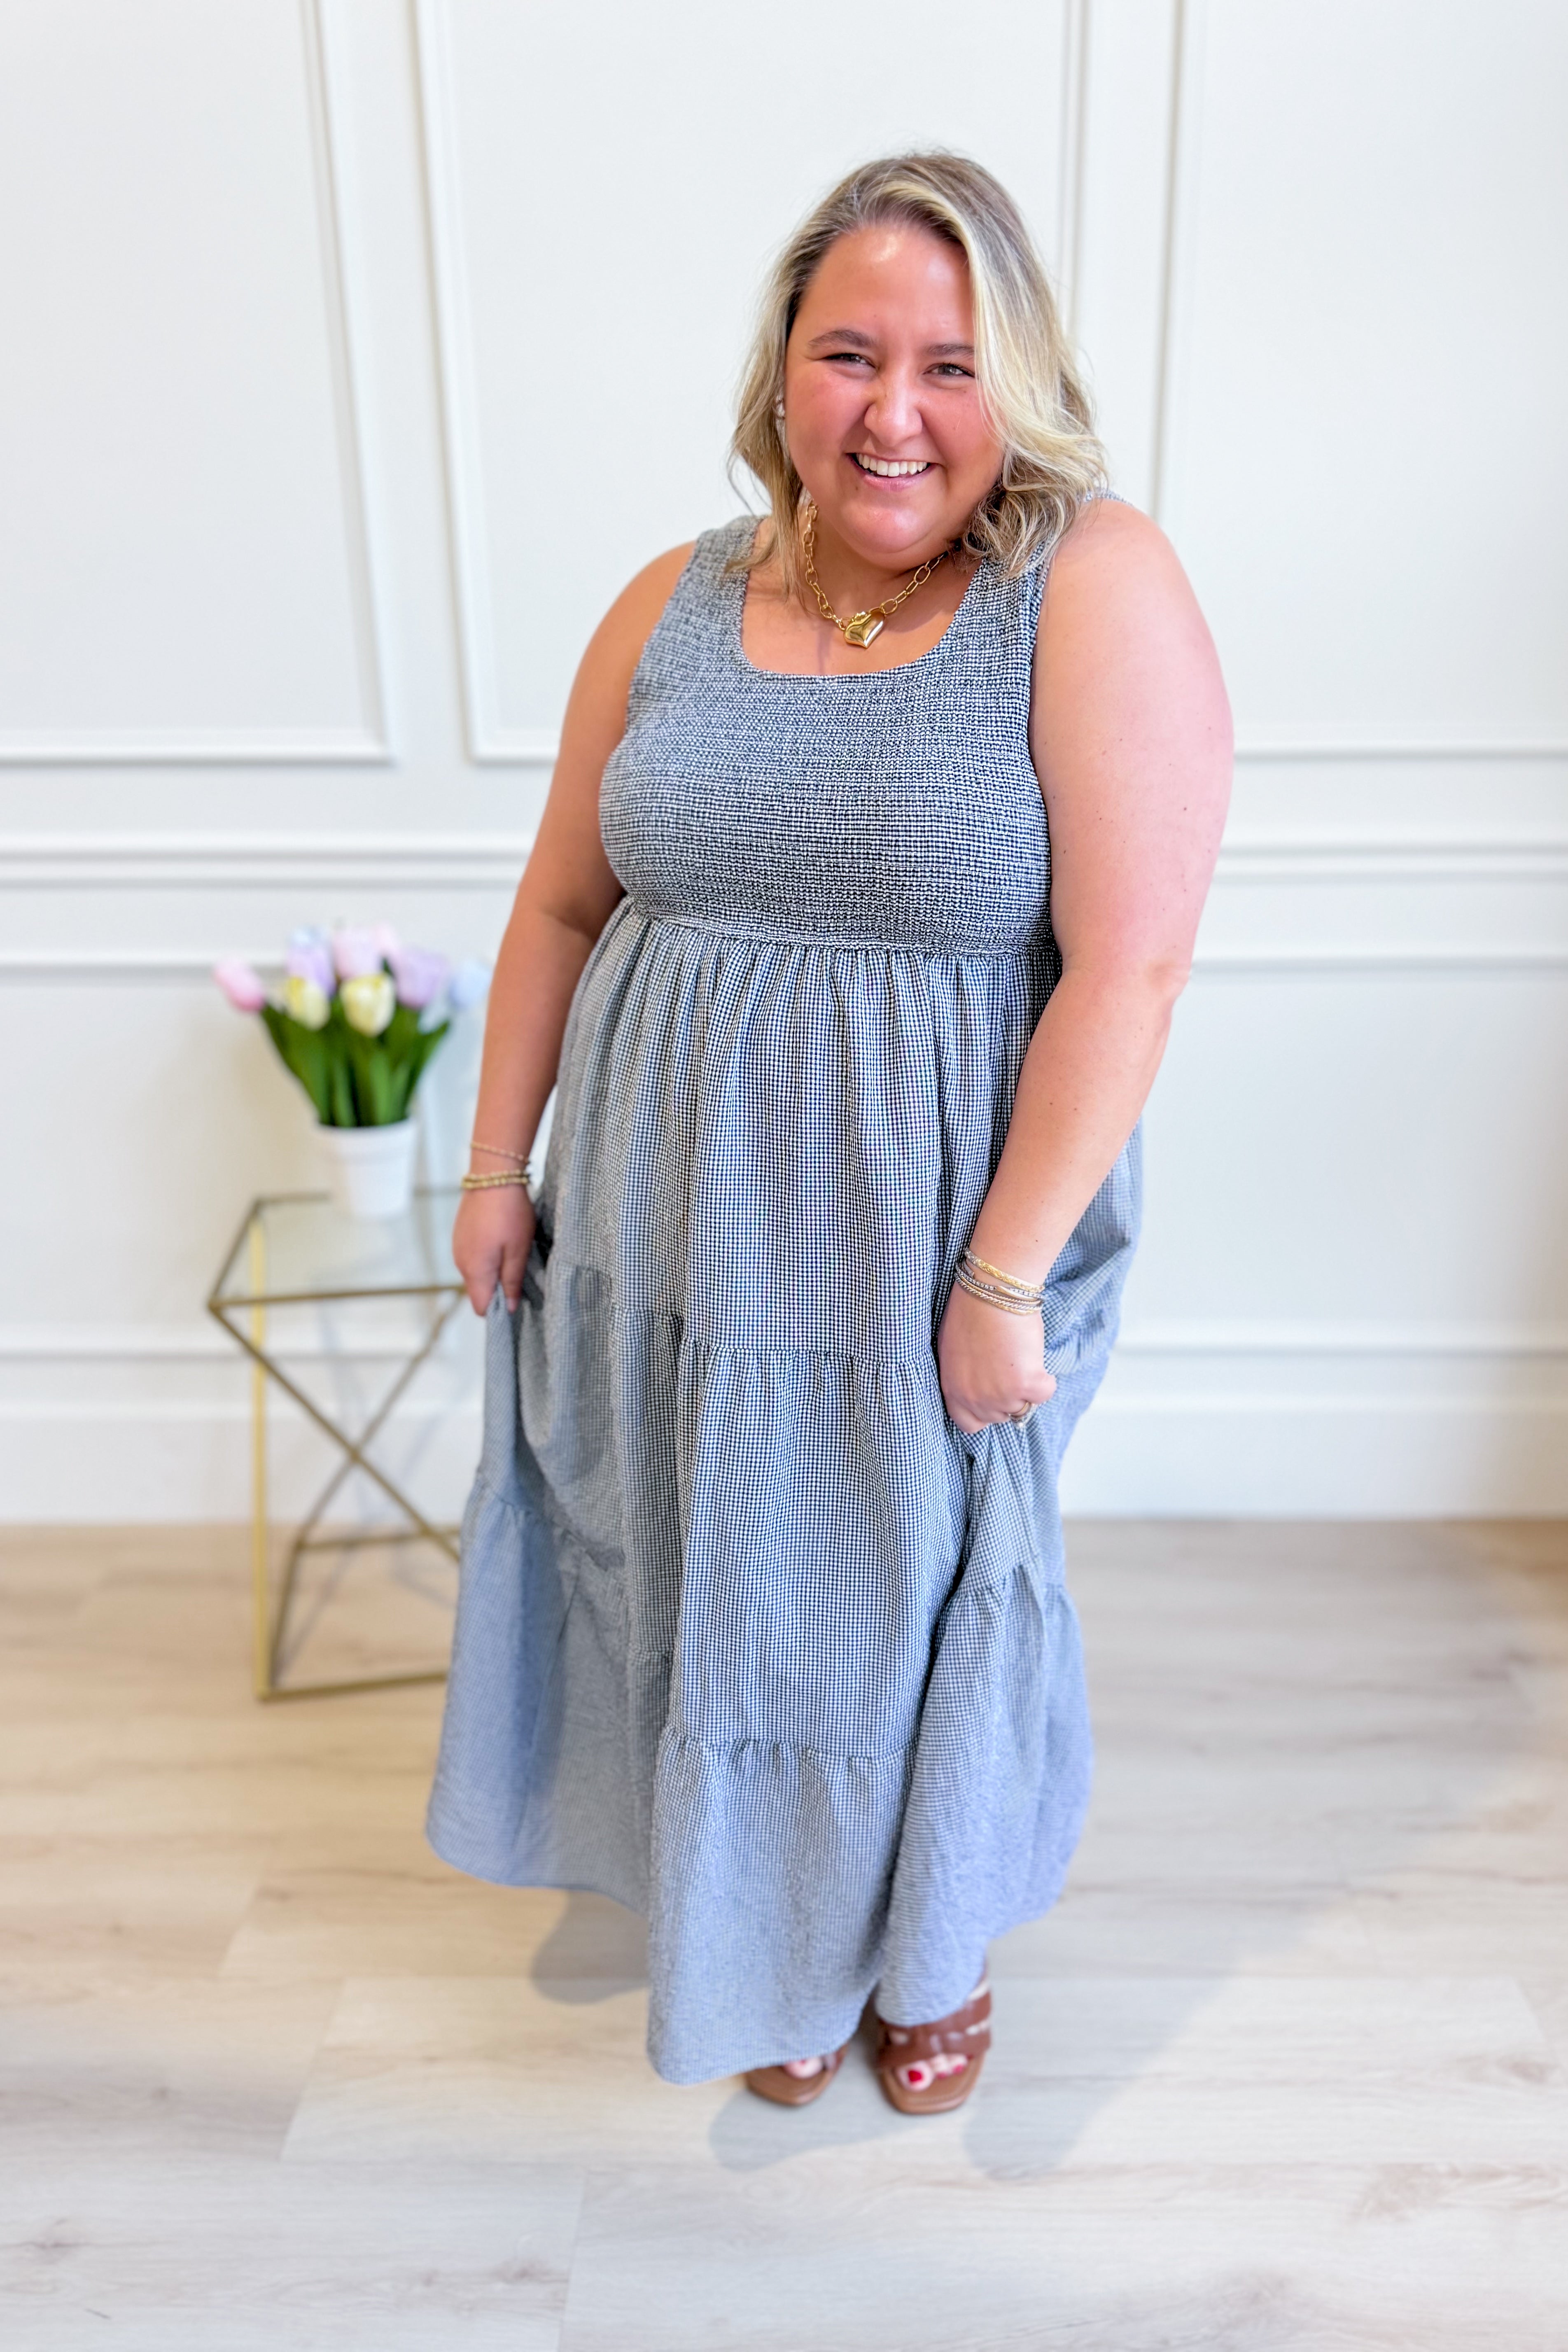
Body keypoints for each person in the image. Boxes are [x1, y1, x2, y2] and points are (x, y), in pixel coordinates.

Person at [427, 152, 1230, 2114]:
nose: (893, 410)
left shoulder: (1087, 585)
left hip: (922, 1244)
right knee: (704, 1580)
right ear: (780, 371)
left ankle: (921, 1948)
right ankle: (764, 1945)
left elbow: (1131, 969)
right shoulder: (673, 602)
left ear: (1013, 386)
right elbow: (557, 905)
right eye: (849, 351)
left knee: (890, 1610)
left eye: (950, 365)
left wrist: (1003, 1274)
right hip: (659, 1226)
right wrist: (491, 1163)